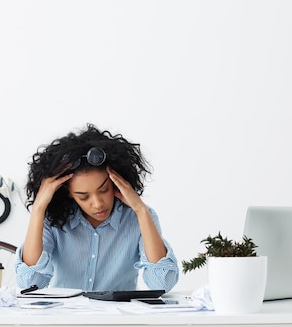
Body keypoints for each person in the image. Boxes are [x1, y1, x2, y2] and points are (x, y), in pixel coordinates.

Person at [14, 124, 179, 292]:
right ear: (68, 192)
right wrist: (38, 209)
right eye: (83, 196)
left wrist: (141, 210)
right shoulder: (52, 221)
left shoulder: (138, 217)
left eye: (103, 190)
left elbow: (162, 284)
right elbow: (29, 284)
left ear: (117, 182)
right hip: (65, 317)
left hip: (119, 317)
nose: (98, 203)